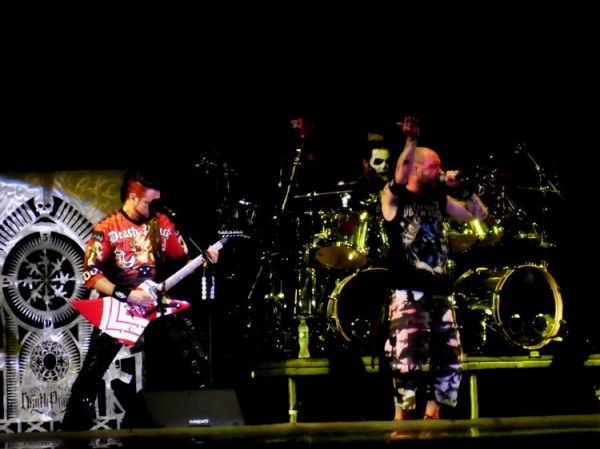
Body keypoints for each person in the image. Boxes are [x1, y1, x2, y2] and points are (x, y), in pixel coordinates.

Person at [62, 169, 220, 430]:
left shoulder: (162, 223)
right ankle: (73, 429)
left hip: (156, 305)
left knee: (196, 357)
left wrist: (203, 260)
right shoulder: (107, 228)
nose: (154, 207)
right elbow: (91, 274)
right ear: (133, 197)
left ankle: (202, 417)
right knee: (93, 369)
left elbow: (182, 260)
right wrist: (126, 294)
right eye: (149, 202)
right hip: (122, 305)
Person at [381, 116, 488, 420]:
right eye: (434, 167)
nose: (440, 171)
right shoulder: (393, 198)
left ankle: (433, 420)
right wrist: (411, 141)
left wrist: (463, 189)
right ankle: (402, 424)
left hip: (440, 292)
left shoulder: (439, 199)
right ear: (416, 168)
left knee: (450, 361)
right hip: (409, 293)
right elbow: (399, 176)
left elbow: (478, 214)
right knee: (406, 363)